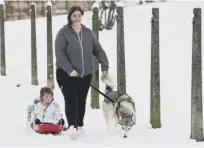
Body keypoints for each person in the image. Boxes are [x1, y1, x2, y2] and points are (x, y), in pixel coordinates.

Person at [55, 5, 109, 139]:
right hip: (66, 74)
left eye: (79, 15)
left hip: (85, 75)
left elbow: (98, 49)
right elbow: (59, 54)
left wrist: (105, 65)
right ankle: (72, 126)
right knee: (71, 99)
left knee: (82, 100)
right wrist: (70, 70)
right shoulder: (63, 33)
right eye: (74, 15)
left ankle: (79, 125)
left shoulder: (88, 33)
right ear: (70, 17)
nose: (77, 18)